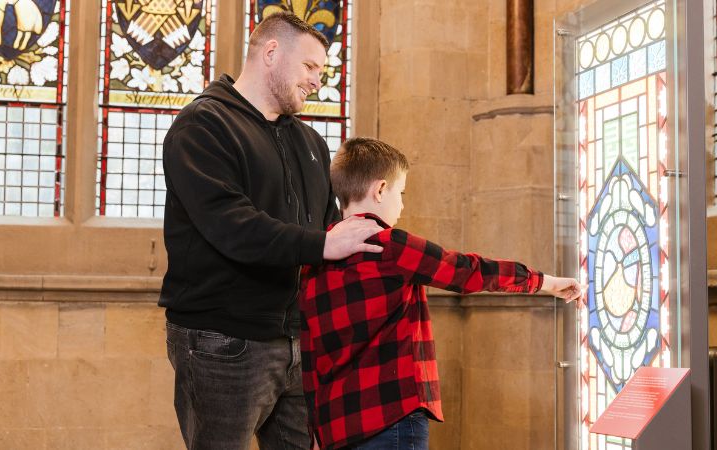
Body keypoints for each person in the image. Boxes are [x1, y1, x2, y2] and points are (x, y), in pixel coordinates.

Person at [158, 12, 383, 450]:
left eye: (323, 70)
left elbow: (328, 230)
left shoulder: (312, 143)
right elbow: (233, 227)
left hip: (297, 342)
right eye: (310, 67)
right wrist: (324, 244)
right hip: (222, 341)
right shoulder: (204, 126)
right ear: (271, 53)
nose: (318, 81)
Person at [299, 137, 583, 450]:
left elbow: (311, 356)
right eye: (401, 193)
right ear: (380, 190)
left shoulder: (316, 258)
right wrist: (544, 282)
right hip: (391, 419)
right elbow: (468, 272)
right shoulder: (390, 245)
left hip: (337, 428)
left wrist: (316, 432)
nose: (402, 205)